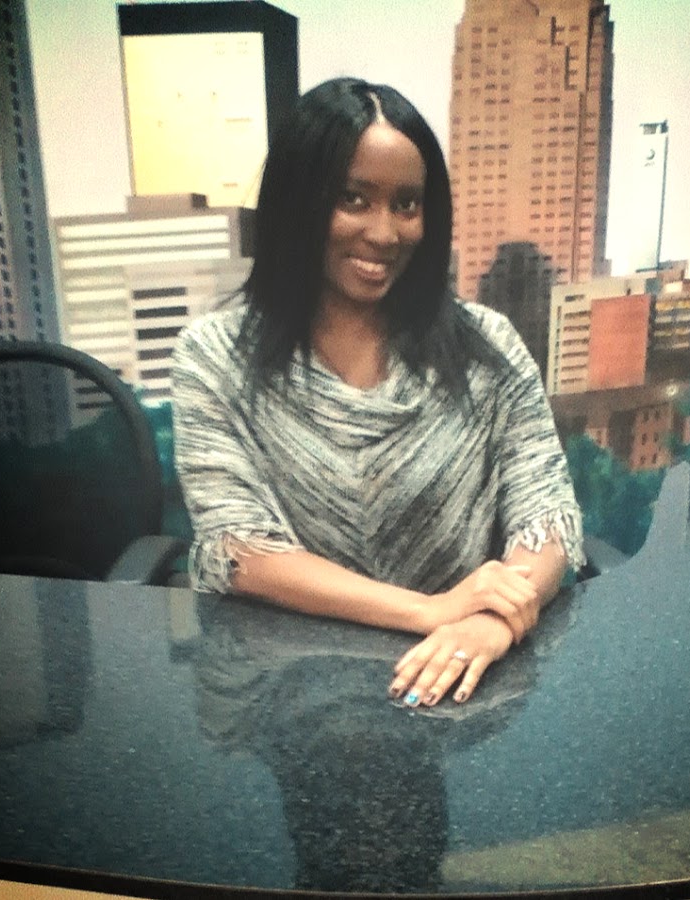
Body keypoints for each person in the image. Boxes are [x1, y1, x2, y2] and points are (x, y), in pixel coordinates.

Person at [172, 77, 584, 708]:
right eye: (353, 199)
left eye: (407, 204)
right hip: (289, 691)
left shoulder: (489, 345)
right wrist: (429, 610)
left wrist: (493, 618)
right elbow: (240, 549)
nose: (385, 233)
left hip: (458, 689)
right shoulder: (213, 357)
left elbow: (545, 513)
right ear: (297, 202)